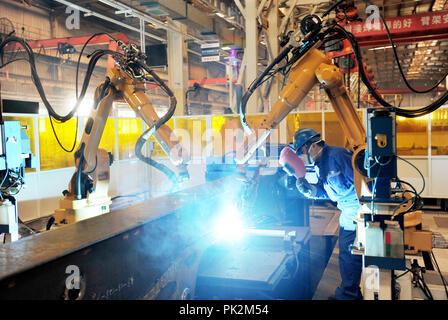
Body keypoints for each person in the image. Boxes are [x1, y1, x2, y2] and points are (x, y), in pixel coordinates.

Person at [291, 128, 363, 300]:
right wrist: (312, 191)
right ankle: (349, 292)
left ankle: (349, 295)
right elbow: (327, 191)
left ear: (314, 146)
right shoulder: (318, 164)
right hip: (347, 210)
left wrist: (365, 212)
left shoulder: (337, 156)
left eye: (302, 151)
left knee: (349, 254)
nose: (301, 155)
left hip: (359, 208)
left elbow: (362, 181)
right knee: (347, 255)